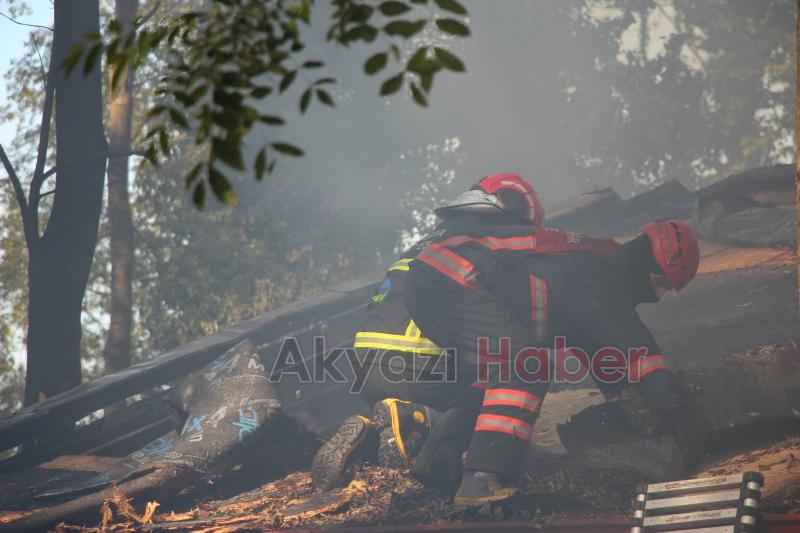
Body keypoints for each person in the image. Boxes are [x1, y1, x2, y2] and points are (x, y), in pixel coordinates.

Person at [402, 219, 700, 505]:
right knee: (525, 366)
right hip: (452, 278)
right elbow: (628, 337)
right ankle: (482, 478)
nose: (657, 296)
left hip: (433, 281)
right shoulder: (598, 266)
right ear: (643, 261)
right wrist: (663, 389)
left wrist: (628, 405)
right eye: (660, 281)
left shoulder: (595, 271)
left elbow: (602, 352)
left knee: (500, 373)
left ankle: (437, 460)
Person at [310, 173, 545, 491]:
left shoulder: (432, 241)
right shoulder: (486, 245)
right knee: (503, 377)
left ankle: (376, 430)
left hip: (366, 367)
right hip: (419, 366)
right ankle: (417, 416)